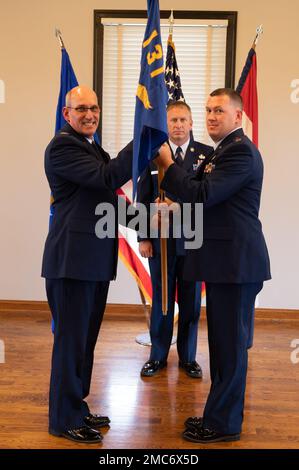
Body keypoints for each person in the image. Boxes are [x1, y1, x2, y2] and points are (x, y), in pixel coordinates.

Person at [155, 88, 271, 443]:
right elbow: (209, 199)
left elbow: (202, 194)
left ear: (238, 116)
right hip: (225, 264)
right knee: (222, 346)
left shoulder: (239, 153)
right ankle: (215, 415)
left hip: (236, 264)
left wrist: (167, 166)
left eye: (219, 110)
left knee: (231, 348)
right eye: (207, 110)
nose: (211, 116)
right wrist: (175, 209)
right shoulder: (222, 152)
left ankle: (224, 425)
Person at [41, 85, 133, 444]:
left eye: (94, 108)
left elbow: (107, 202)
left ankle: (76, 407)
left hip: (92, 263)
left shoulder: (91, 147)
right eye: (81, 109)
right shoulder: (63, 146)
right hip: (72, 264)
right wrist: (145, 139)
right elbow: (107, 178)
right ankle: (63, 419)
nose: (90, 114)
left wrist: (157, 226)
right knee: (70, 343)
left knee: (84, 343)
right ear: (67, 114)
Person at [138, 101, 212, 378]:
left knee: (192, 301)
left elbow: (210, 199)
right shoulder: (154, 154)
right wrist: (143, 237)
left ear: (192, 123)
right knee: (162, 300)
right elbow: (142, 199)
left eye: (183, 120)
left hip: (193, 242)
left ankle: (188, 358)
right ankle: (157, 355)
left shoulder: (206, 156)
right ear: (165, 125)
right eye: (173, 121)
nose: (178, 125)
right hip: (161, 243)